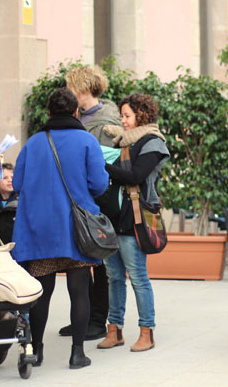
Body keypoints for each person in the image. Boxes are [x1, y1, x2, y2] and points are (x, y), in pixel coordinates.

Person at [11, 88, 109, 369]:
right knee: (80, 289)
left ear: (49, 112)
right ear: (76, 112)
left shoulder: (33, 144)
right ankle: (77, 353)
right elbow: (100, 184)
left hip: (39, 230)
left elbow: (16, 184)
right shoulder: (87, 142)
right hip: (76, 230)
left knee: (41, 290)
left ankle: (37, 350)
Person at [97, 93, 169, 353]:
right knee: (113, 276)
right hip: (113, 216)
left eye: (127, 115)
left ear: (142, 115)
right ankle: (114, 331)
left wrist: (102, 165)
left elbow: (136, 176)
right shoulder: (122, 142)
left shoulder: (153, 143)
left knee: (137, 276)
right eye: (122, 116)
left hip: (135, 217)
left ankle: (146, 332)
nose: (123, 121)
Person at [57, 65, 122, 341]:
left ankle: (98, 320)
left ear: (83, 90)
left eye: (71, 88)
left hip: (100, 201)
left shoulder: (107, 122)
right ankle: (82, 319)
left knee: (100, 263)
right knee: (82, 261)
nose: (69, 93)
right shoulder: (82, 117)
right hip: (80, 199)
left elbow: (107, 163)